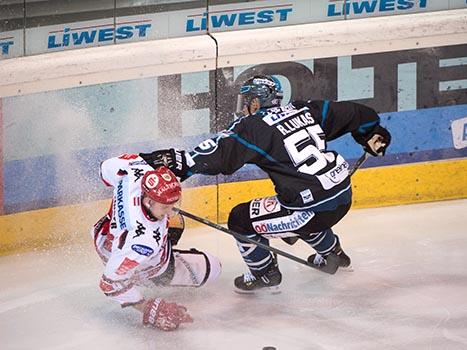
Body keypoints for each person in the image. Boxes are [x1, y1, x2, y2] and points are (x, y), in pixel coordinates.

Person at [140, 74, 391, 294]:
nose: (244, 108)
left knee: (241, 219)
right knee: (296, 204)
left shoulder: (253, 126)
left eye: (246, 101)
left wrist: (181, 162)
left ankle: (265, 274)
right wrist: (371, 133)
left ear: (256, 102)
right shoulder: (305, 110)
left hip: (310, 209)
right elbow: (358, 114)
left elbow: (222, 154)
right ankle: (333, 252)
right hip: (343, 195)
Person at [92, 153, 222, 330]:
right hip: (135, 262)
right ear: (148, 201)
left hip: (104, 235)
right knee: (213, 268)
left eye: (173, 204)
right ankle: (149, 278)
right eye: (164, 207)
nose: (170, 211)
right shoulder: (143, 242)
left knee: (176, 222)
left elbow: (104, 167)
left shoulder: (134, 172)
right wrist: (147, 308)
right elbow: (109, 283)